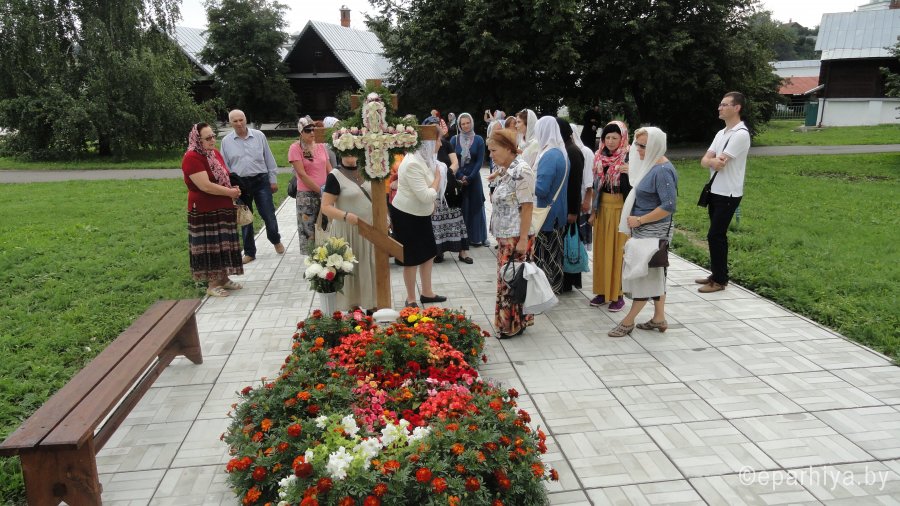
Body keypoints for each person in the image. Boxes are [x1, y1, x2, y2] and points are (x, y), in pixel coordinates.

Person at [608, 127, 678, 337]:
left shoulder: (662, 170)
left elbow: (668, 206)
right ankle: (659, 318)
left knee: (644, 276)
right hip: (643, 230)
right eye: (637, 144)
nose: (637, 149)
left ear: (655, 146)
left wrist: (639, 220)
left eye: (642, 146)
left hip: (654, 231)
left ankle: (628, 321)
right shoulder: (650, 165)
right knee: (656, 275)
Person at [181, 123, 244, 297]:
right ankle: (212, 284)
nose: (212, 140)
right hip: (205, 209)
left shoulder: (214, 153)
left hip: (223, 206)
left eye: (213, 136)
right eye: (207, 138)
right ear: (197, 139)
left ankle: (223, 278)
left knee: (223, 243)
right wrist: (229, 192)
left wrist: (233, 188)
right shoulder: (192, 157)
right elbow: (205, 186)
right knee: (210, 245)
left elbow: (224, 176)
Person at [698, 92, 751, 293]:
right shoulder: (721, 133)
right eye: (720, 104)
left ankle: (720, 280)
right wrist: (711, 161)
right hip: (715, 190)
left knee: (715, 235)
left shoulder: (740, 134)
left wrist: (711, 161)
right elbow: (705, 161)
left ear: (737, 108)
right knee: (715, 235)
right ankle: (716, 274)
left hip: (729, 193)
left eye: (724, 105)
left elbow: (719, 163)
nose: (719, 108)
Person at [488, 128, 536, 338]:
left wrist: (523, 239)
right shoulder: (509, 168)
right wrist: (498, 174)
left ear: (508, 149)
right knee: (508, 280)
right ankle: (511, 323)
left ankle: (512, 325)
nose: (491, 155)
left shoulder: (522, 170)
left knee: (512, 282)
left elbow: (527, 206)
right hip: (506, 235)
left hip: (516, 236)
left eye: (494, 150)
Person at [220, 109, 284, 264]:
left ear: (246, 119)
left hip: (261, 180)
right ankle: (249, 252)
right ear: (230, 123)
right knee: (245, 218)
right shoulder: (226, 141)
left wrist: (273, 180)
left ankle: (275, 239)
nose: (239, 123)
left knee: (268, 213)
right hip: (240, 185)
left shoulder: (259, 136)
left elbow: (269, 159)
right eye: (235, 121)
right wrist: (229, 187)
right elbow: (224, 166)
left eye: (241, 119)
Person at [390, 140, 447, 307]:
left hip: (421, 213)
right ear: (428, 142)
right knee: (411, 258)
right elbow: (426, 195)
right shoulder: (412, 163)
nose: (441, 144)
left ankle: (427, 292)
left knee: (429, 252)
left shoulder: (423, 158)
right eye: (438, 140)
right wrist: (438, 179)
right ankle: (411, 298)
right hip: (407, 215)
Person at [319, 152, 377, 311]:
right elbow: (325, 207)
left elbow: (377, 197)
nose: (351, 154)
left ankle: (372, 305)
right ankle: (353, 310)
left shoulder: (368, 170)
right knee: (351, 271)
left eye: (354, 149)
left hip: (369, 232)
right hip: (347, 233)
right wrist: (345, 216)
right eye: (347, 151)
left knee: (369, 268)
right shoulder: (335, 176)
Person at [589, 121, 631, 312]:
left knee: (618, 252)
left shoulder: (629, 157)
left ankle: (618, 294)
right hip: (602, 208)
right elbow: (595, 187)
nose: (611, 141)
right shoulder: (599, 156)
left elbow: (639, 183)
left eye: (615, 137)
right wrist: (593, 212)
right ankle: (602, 291)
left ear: (622, 138)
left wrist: (632, 171)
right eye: (607, 137)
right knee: (601, 251)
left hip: (621, 209)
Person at [424, 117, 472, 264]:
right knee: (436, 221)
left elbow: (455, 163)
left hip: (448, 186)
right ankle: (439, 252)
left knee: (456, 217)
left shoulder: (445, 144)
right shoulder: (423, 147)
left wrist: (445, 173)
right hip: (433, 187)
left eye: (436, 127)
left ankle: (462, 252)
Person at [532, 116, 569, 295]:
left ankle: (546, 291)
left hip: (546, 214)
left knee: (545, 254)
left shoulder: (549, 156)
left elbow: (541, 189)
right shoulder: (561, 152)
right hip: (558, 211)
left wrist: (525, 181)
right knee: (555, 253)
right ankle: (554, 288)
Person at [289, 117, 333, 253]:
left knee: (326, 226)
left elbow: (329, 168)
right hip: (307, 196)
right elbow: (302, 174)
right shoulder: (295, 148)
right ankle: (312, 259)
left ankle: (327, 257)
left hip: (325, 193)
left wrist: (332, 187)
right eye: (308, 130)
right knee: (309, 231)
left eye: (314, 129)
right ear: (301, 132)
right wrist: (320, 190)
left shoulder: (321, 146)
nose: (312, 132)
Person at [451, 113, 489, 247]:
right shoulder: (454, 140)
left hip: (474, 178)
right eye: (463, 124)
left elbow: (479, 161)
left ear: (471, 123)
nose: (466, 126)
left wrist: (470, 177)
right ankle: (463, 239)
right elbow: (452, 160)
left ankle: (478, 237)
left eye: (468, 123)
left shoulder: (478, 140)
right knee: (462, 207)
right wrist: (460, 176)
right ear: (459, 125)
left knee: (476, 206)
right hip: (459, 178)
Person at [556, 118, 585, 292]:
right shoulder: (565, 148)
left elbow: (575, 184)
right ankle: (564, 280)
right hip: (565, 205)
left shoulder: (572, 151)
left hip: (570, 206)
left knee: (568, 244)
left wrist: (573, 211)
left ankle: (568, 281)